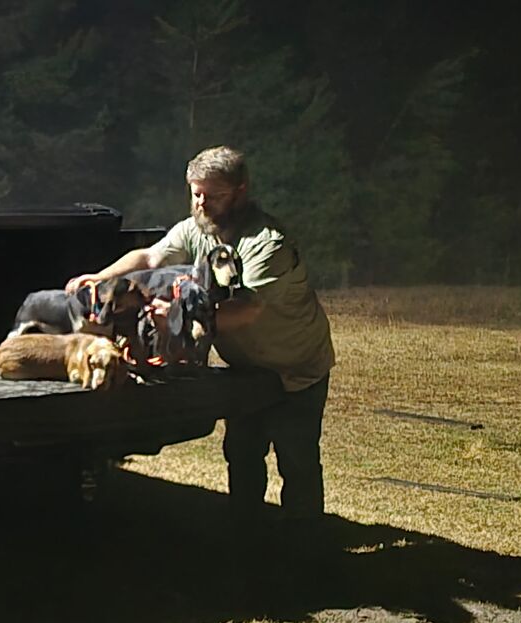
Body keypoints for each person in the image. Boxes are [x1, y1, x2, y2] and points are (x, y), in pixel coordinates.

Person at [67, 146, 335, 521]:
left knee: (298, 462)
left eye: (213, 195)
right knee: (242, 454)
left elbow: (247, 309)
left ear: (240, 191)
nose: (201, 203)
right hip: (246, 367)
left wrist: (177, 317)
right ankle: (246, 541)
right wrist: (103, 278)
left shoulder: (266, 243)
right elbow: (149, 257)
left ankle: (308, 557)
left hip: (295, 367)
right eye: (195, 193)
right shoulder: (198, 228)